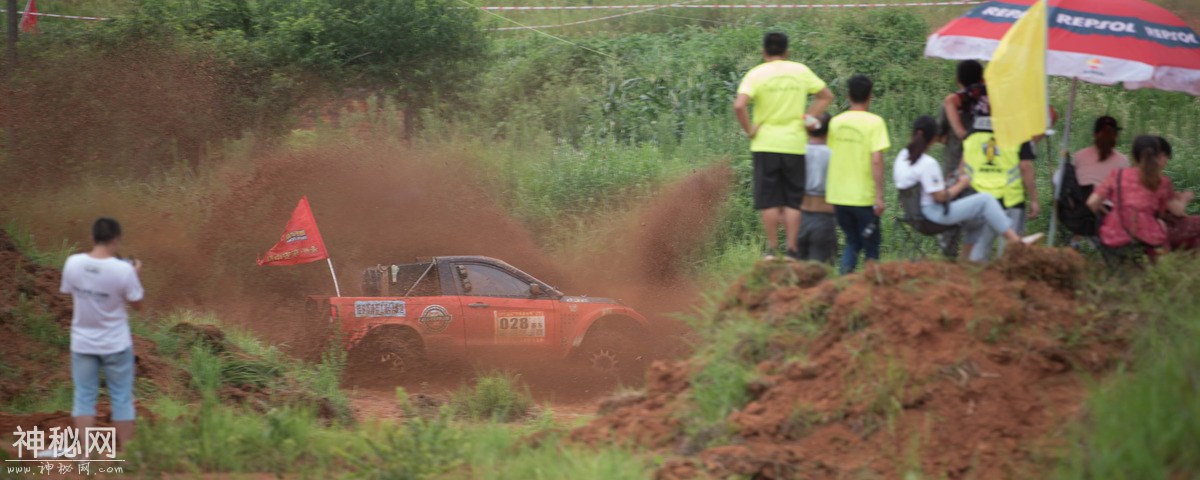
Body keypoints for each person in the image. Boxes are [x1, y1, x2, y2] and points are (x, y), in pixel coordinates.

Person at [734, 32, 835, 260]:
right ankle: (792, 249)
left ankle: (772, 250)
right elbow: (826, 95)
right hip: (794, 144)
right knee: (792, 199)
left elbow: (739, 106)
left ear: (764, 52)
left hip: (765, 144)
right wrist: (808, 115)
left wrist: (749, 130)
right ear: (787, 51)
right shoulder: (800, 71)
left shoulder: (756, 74)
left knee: (769, 199)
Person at [894, 116, 1044, 249]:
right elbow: (939, 197)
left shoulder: (902, 156)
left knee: (976, 220)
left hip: (913, 215)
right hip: (933, 216)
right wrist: (962, 184)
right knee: (985, 200)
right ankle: (1016, 241)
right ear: (934, 138)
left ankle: (969, 263)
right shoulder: (928, 163)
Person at [60, 218, 144, 453]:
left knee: (84, 397)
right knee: (121, 398)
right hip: (116, 343)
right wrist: (133, 273)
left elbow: (69, 292)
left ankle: (84, 455)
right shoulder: (123, 270)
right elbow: (138, 305)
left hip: (83, 342)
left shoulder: (73, 264)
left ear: (92, 238)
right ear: (116, 240)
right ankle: (127, 456)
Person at [1086, 135, 1195, 254]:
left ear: (1133, 156)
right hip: (1148, 234)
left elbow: (1092, 202)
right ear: (1157, 156)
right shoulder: (1162, 181)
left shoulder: (1117, 175)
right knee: (1163, 227)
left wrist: (1108, 213)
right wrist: (1184, 198)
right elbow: (1162, 213)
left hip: (1114, 232)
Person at [957, 110, 1041, 262]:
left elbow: (962, 167)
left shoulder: (973, 130)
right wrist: (1034, 199)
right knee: (1013, 254)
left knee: (977, 255)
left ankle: (976, 283)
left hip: (980, 199)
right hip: (1011, 200)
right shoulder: (1017, 130)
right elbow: (1025, 167)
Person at [826, 75, 890, 274]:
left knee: (853, 241)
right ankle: (872, 289)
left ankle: (844, 287)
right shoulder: (875, 123)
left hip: (838, 196)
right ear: (870, 96)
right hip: (863, 198)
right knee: (871, 246)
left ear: (848, 96)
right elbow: (877, 159)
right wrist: (878, 196)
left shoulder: (836, 123)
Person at [795, 113, 836, 263]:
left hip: (798, 217)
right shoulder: (833, 155)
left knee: (796, 274)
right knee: (821, 274)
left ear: (807, 129)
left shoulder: (797, 153)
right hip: (824, 217)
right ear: (829, 131)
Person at [1158, 137, 1200, 251]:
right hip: (1165, 230)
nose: (1166, 161)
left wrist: (1175, 196)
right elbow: (1178, 211)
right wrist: (1185, 198)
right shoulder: (1158, 180)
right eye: (1166, 157)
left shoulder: (1134, 176)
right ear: (1161, 155)